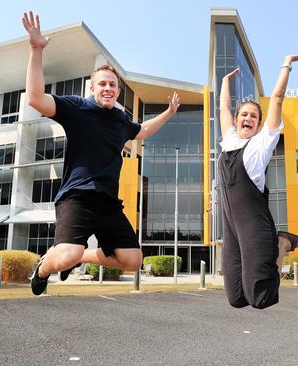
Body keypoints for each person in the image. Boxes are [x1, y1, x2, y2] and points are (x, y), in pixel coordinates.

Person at [22, 11, 180, 295]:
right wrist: (36, 50)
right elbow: (35, 98)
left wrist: (168, 113)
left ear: (118, 91)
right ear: (92, 88)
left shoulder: (121, 121)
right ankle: (45, 265)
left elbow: (142, 131)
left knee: (133, 261)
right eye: (102, 84)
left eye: (113, 85)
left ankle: (79, 256)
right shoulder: (77, 109)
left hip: (108, 203)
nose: (108, 88)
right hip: (77, 196)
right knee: (65, 255)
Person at [218, 54, 298, 309]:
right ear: (237, 121)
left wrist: (286, 64)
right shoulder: (229, 140)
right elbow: (223, 108)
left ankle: (282, 243)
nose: (247, 118)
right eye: (243, 114)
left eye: (253, 117)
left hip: (255, 225)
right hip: (231, 228)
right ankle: (278, 245)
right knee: (236, 299)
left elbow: (277, 98)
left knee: (260, 298)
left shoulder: (261, 144)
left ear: (258, 125)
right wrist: (225, 81)